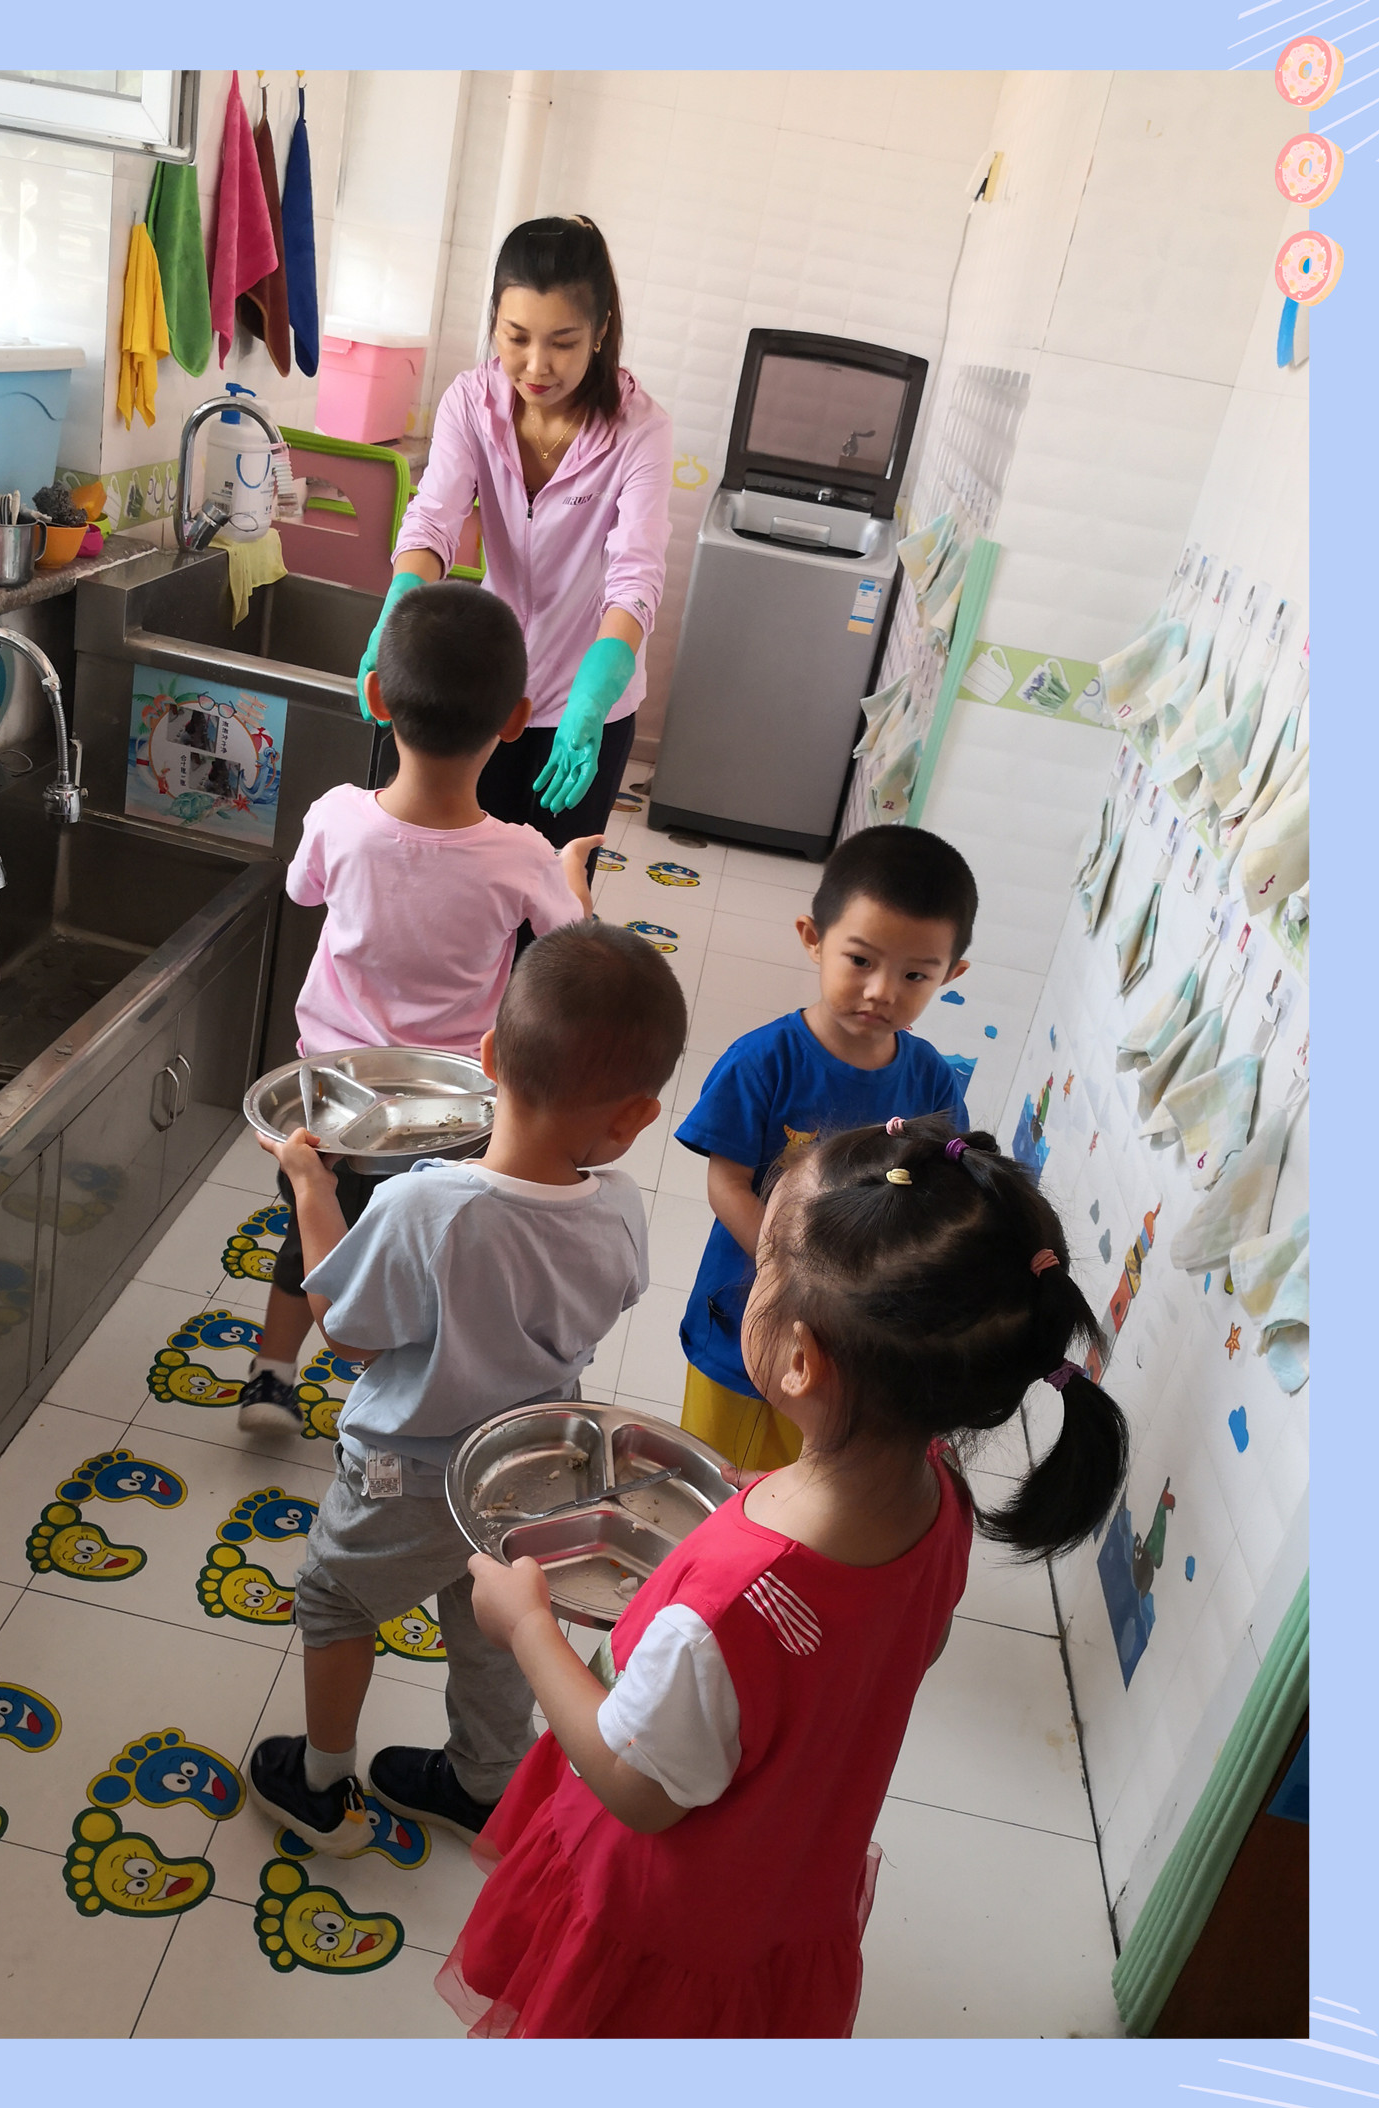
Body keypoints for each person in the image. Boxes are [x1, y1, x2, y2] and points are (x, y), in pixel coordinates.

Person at [439, 1114, 1131, 2038]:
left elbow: (636, 1791)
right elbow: (901, 1643)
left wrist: (528, 1628)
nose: (749, 1283)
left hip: (653, 1919)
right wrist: (756, 1501)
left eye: (761, 1268)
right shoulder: (940, 1497)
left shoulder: (722, 1614)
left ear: (801, 1362)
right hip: (781, 1885)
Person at [246, 921, 689, 1849]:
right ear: (634, 1117)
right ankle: (484, 1784)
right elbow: (615, 1296)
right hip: (532, 1467)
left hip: (406, 1473)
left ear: (485, 1058)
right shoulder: (619, 1209)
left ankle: (320, 1786)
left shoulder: (423, 1206)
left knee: (334, 1600)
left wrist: (312, 1189)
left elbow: (348, 1334)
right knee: (496, 1623)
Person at [236, 583, 601, 1437]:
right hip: (452, 1108)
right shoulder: (521, 855)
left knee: (312, 1230)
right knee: (424, 1254)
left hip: (327, 1095)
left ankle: (270, 1376)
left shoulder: (338, 817)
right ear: (515, 720)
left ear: (375, 696)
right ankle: (401, 1399)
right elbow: (573, 945)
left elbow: (302, 891)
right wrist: (571, 874)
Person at [354, 216, 674, 851]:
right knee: (458, 876)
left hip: (590, 700)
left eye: (563, 342)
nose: (535, 365)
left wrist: (593, 694)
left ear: (601, 331)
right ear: (494, 321)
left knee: (554, 892)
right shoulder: (471, 403)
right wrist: (397, 609)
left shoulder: (640, 431)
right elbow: (434, 518)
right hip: (486, 693)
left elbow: (635, 574)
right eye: (516, 336)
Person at [676, 825, 979, 1474]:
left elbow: (937, 1188)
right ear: (813, 938)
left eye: (915, 974)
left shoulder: (931, 1080)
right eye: (861, 961)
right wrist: (794, 1271)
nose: (882, 991)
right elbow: (726, 1184)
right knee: (712, 1481)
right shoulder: (762, 1062)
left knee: (802, 1487)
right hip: (743, 1323)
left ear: (950, 975)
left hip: (851, 1347)